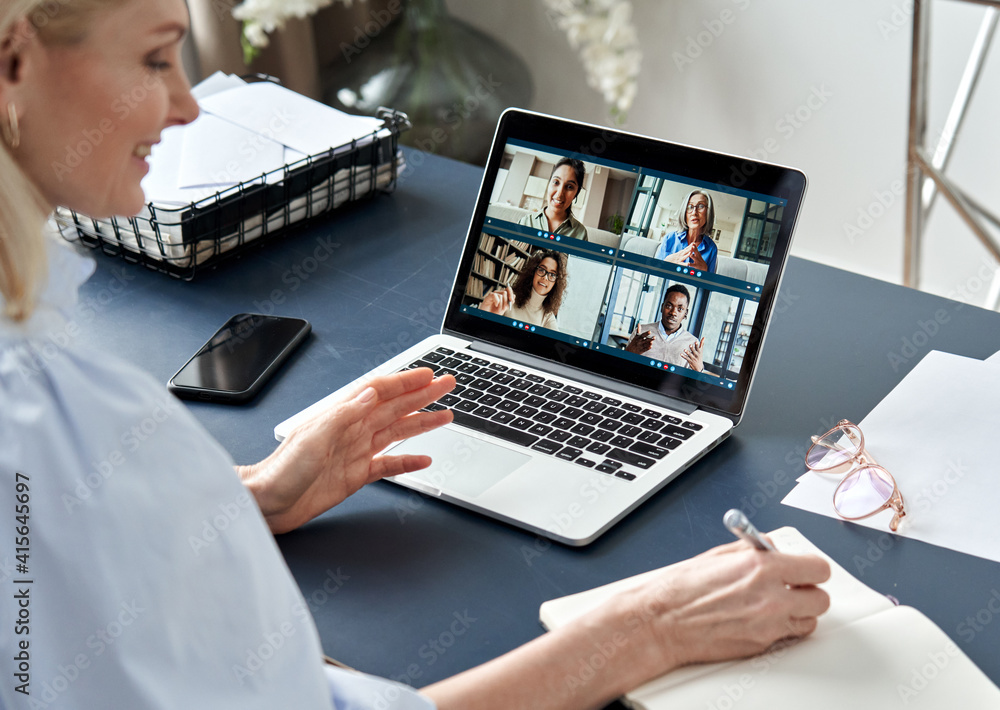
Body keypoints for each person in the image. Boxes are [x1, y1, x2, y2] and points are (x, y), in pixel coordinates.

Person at [0, 1, 831, 708]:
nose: (186, 105)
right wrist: (646, 629)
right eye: (155, 60)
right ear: (13, 66)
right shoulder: (49, 414)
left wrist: (251, 496)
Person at [477, 249, 566, 330]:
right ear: (533, 272)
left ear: (556, 283)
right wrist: (484, 315)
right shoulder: (508, 298)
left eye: (552, 275)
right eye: (542, 270)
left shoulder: (548, 317)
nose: (545, 277)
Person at [624, 285, 707, 372]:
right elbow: (622, 367)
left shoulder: (693, 344)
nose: (673, 313)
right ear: (662, 307)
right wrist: (628, 353)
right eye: (669, 306)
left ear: (685, 313)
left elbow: (693, 379)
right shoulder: (641, 333)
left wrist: (699, 370)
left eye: (680, 309)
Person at [517, 157, 589, 241]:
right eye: (556, 182)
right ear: (549, 184)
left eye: (569, 187)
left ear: (576, 194)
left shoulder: (581, 233)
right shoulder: (526, 222)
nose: (559, 194)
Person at [654, 189, 719, 273]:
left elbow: (709, 281)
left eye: (700, 206)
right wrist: (666, 263)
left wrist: (704, 271)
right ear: (684, 212)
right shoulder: (669, 238)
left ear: (708, 212)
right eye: (690, 207)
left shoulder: (712, 248)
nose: (694, 212)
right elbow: (653, 273)